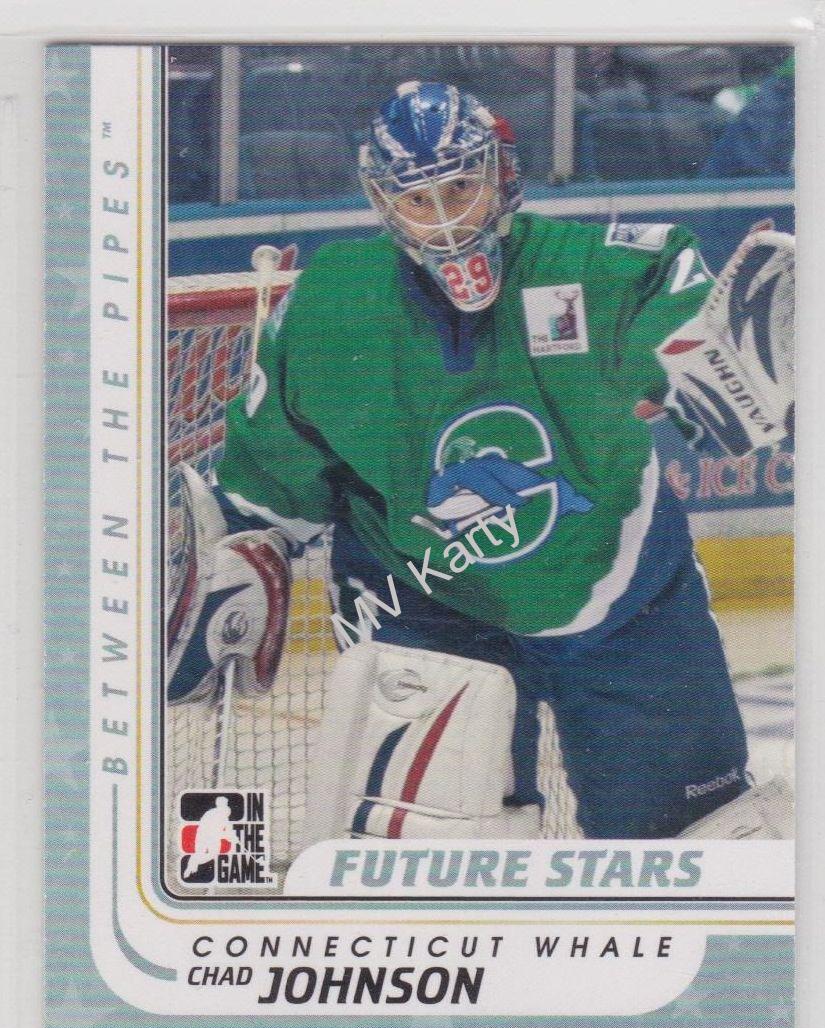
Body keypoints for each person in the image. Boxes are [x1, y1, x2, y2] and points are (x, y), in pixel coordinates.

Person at [169, 81, 793, 838]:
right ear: (383, 202)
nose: (444, 219)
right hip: (423, 602)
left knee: (692, 848)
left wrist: (704, 353)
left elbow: (675, 303)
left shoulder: (591, 266)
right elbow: (273, 475)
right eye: (417, 199)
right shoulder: (333, 307)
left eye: (461, 188)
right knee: (429, 863)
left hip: (621, 587)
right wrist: (245, 549)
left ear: (501, 174)